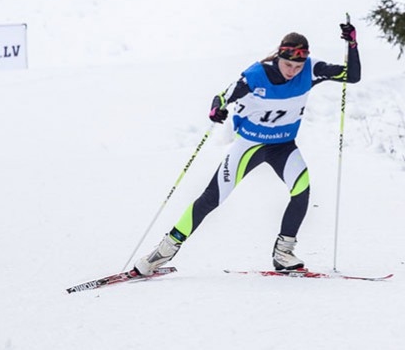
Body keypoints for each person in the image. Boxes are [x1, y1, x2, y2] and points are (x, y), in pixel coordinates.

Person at [134, 21, 361, 275]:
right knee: (211, 199)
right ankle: (162, 251)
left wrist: (352, 44)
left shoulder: (311, 69)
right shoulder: (256, 74)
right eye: (288, 65)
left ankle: (283, 253)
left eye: (297, 67)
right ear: (278, 56)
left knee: (301, 190)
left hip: (283, 146)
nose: (292, 72)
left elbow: (351, 76)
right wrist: (216, 109)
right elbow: (222, 97)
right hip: (249, 145)